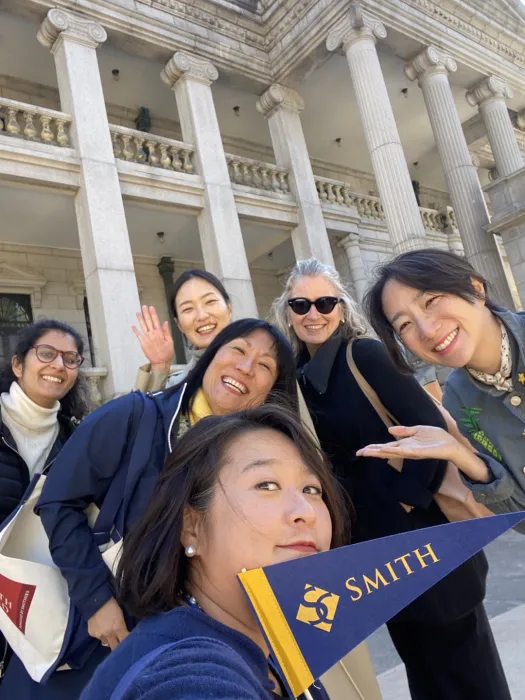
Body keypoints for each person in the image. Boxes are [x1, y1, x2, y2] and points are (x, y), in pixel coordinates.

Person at [8, 319, 296, 700]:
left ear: (270, 392)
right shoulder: (133, 415)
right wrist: (97, 601)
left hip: (185, 646)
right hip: (94, 638)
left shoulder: (256, 464)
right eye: (239, 350)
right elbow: (58, 500)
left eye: (264, 366)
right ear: (211, 356)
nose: (245, 367)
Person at [270, 258, 510, 700]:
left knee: (466, 668)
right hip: (372, 553)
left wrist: (406, 500)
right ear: (288, 311)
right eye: (300, 304)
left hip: (423, 536)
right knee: (423, 668)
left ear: (340, 308)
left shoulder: (363, 353)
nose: (313, 313)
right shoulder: (297, 380)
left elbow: (427, 428)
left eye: (324, 302)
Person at [81, 404, 347, 700]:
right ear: (190, 526)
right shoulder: (188, 673)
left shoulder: (275, 653)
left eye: (312, 489)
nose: (307, 512)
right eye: (267, 484)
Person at [364, 248, 525, 518]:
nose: (426, 331)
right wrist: (459, 453)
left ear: (476, 289)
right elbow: (520, 511)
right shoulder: (459, 399)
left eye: (431, 301)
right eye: (404, 325)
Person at [0, 320, 90, 695]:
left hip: (34, 603)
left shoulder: (79, 438)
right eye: (47, 354)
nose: (58, 365)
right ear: (18, 365)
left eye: (70, 359)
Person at [133, 269, 232, 392]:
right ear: (179, 324)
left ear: (229, 309)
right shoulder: (178, 386)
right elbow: (145, 410)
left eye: (210, 301)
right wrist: (160, 367)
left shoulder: (258, 362)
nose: (202, 316)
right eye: (188, 309)